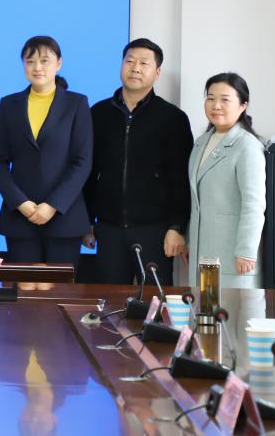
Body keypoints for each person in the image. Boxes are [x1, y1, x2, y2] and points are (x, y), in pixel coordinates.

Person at [82, 38, 193, 285]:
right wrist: (86, 221)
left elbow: (181, 178)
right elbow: (88, 171)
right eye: (130, 61)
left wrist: (177, 227)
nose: (135, 68)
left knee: (155, 300)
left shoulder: (173, 118)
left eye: (144, 63)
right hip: (108, 229)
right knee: (108, 300)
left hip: (155, 230)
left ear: (157, 72)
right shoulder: (98, 113)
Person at [0, 36, 92, 266]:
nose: (37, 67)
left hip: (64, 215)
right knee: (24, 286)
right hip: (20, 216)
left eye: (45, 60)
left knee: (60, 286)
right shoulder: (9, 104)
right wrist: (21, 203)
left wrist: (52, 205)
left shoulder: (76, 103)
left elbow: (82, 161)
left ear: (59, 63)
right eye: (30, 61)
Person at [185, 72, 265, 289]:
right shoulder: (201, 142)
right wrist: (190, 240)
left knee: (232, 309)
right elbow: (196, 200)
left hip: (233, 254)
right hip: (203, 250)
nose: (216, 105)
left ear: (243, 105)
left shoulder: (247, 145)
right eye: (210, 98)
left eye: (225, 100)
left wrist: (246, 251)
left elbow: (254, 203)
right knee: (203, 308)